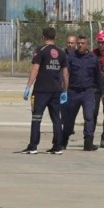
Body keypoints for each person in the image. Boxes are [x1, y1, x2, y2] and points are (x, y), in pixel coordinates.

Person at [21, 27, 69, 155]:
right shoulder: (61, 53)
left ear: (43, 37)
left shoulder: (40, 51)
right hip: (56, 90)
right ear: (55, 37)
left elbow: (35, 69)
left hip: (41, 90)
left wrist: (28, 86)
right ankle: (58, 146)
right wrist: (65, 90)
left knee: (36, 118)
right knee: (56, 119)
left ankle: (33, 146)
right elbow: (65, 73)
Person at [61, 35, 104, 152]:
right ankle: (63, 140)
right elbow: (65, 75)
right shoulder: (71, 57)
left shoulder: (93, 58)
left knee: (89, 117)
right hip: (73, 92)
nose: (80, 45)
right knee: (68, 119)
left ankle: (88, 142)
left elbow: (98, 77)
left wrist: (103, 92)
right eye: (79, 43)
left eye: (82, 43)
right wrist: (63, 90)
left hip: (88, 92)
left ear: (87, 45)